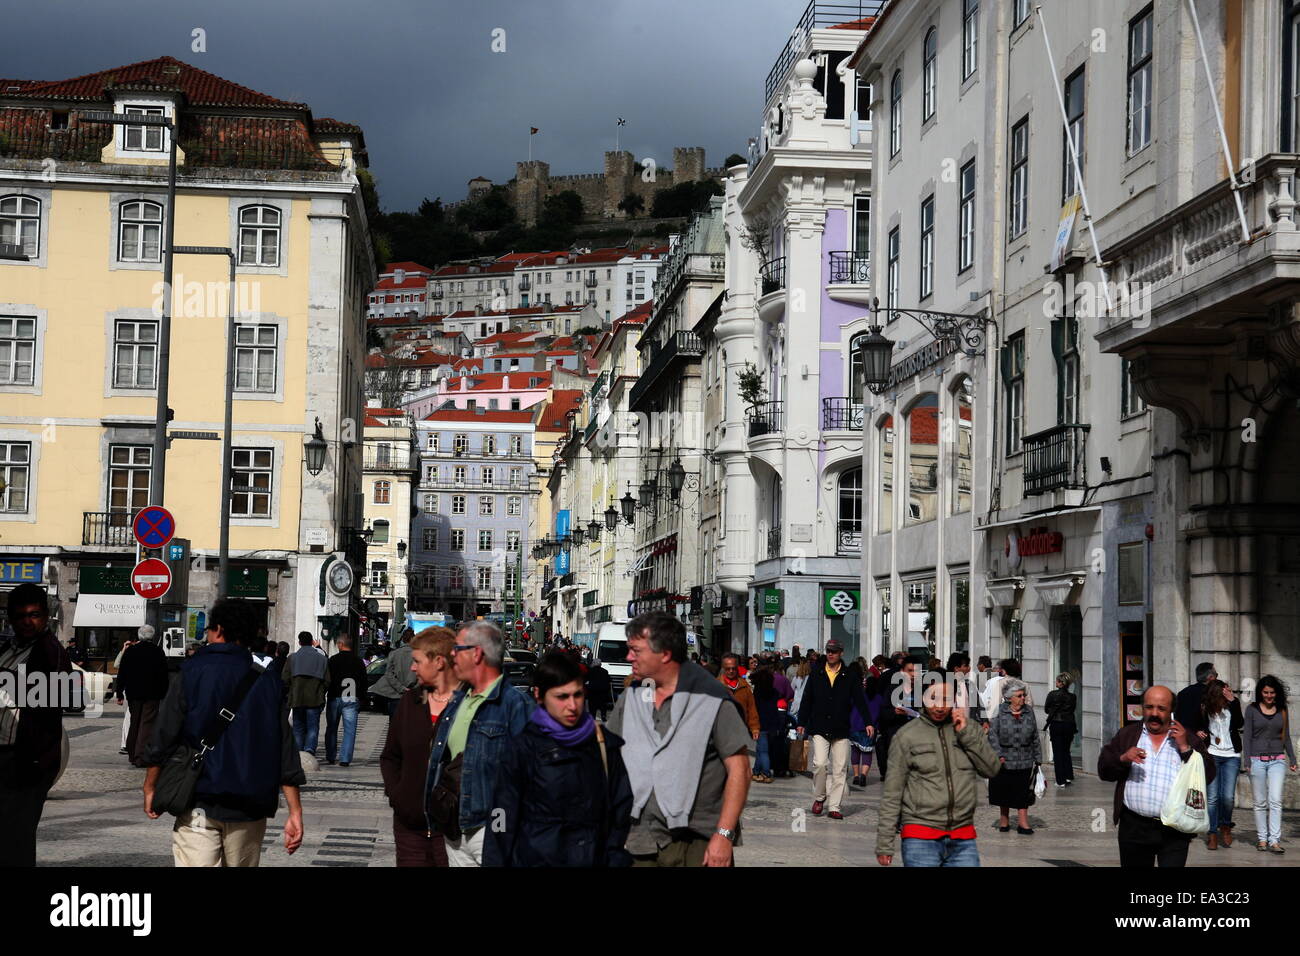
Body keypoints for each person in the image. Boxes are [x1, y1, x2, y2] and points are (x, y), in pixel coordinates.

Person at [142, 598, 305, 866]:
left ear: (218, 630)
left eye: (208, 629)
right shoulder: (267, 680)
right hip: (250, 804)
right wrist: (295, 811)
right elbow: (284, 746)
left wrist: (150, 786)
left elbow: (164, 734)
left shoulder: (191, 672)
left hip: (198, 798)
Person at [607, 611, 751, 867]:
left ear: (664, 654)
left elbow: (740, 769)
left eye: (636, 651)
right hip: (640, 835)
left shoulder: (712, 698)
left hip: (697, 840)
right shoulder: (632, 697)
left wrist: (724, 835)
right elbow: (608, 758)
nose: (629, 657)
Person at [484, 651, 633, 866]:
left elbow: (621, 808)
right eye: (561, 697)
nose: (572, 706)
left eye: (578, 695)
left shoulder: (603, 743)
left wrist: (614, 856)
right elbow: (501, 816)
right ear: (539, 695)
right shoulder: (522, 748)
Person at [424, 621, 532, 867]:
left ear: (477, 653)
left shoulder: (516, 706)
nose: (452, 654)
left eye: (457, 649)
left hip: (492, 828)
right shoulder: (457, 700)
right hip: (455, 829)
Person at [875, 674, 1001, 867]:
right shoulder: (907, 736)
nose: (940, 707)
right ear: (923, 697)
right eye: (933, 698)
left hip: (962, 836)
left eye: (946, 699)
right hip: (920, 835)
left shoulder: (969, 729)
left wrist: (966, 734)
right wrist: (885, 843)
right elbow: (893, 792)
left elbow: (991, 769)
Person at [1097, 685, 1215, 868]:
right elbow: (1104, 770)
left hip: (1174, 828)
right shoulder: (1128, 735)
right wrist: (1123, 758)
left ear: (1172, 710)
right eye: (1149, 707)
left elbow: (1208, 774)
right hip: (1134, 826)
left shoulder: (1188, 738)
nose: (1154, 713)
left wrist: (1185, 749)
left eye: (1161, 708)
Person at [0, 584, 72, 866]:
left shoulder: (51, 653)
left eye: (35, 615)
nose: (28, 622)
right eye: (21, 616)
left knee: (15, 839)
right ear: (10, 618)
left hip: (27, 759)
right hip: (4, 754)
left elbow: (58, 697)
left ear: (46, 616)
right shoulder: (7, 648)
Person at [380, 627, 458, 867]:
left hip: (452, 832)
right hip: (409, 826)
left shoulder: (467, 707)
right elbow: (390, 756)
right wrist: (398, 796)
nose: (412, 668)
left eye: (417, 661)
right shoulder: (410, 702)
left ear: (439, 662)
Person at [797, 638, 871, 820]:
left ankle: (834, 806)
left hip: (841, 728)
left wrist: (868, 721)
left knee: (840, 769)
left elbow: (860, 700)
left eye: (834, 651)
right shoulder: (817, 673)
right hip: (820, 727)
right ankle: (820, 797)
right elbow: (807, 699)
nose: (830, 654)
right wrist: (801, 722)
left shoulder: (849, 675)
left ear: (841, 653)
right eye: (829, 650)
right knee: (820, 764)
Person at [1243, 675, 1297, 853]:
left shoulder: (1282, 709)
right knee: (1259, 802)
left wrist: (1293, 759)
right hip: (1256, 760)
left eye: (1272, 692)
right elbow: (1248, 737)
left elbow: (1286, 735)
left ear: (1277, 693)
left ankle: (1274, 840)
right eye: (1265, 692)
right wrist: (1247, 761)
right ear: (1260, 692)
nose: (1269, 696)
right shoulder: (1251, 710)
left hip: (1277, 761)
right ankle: (1262, 839)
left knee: (1275, 801)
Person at [987, 679, 1041, 835]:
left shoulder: (1028, 711)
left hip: (1025, 757)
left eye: (1023, 695)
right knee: (1004, 790)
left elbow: (1035, 735)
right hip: (1005, 758)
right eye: (1019, 695)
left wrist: (1038, 757)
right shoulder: (999, 711)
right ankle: (1004, 820)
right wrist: (998, 754)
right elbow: (992, 735)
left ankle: (1023, 823)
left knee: (1023, 791)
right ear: (1009, 697)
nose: (1023, 698)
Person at [115, 623, 170, 767]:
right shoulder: (158, 651)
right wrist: (163, 693)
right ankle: (141, 756)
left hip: (134, 693)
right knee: (147, 723)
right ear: (152, 636)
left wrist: (119, 692)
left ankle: (132, 755)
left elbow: (122, 673)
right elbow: (164, 675)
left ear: (139, 636)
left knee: (135, 722)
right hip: (152, 694)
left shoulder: (131, 651)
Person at [1200, 678, 1243, 850]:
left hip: (1232, 755)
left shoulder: (1232, 705)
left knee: (1227, 797)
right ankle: (1212, 833)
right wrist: (1198, 731)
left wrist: (1233, 701)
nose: (1224, 697)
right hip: (1213, 754)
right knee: (1212, 798)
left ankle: (1225, 825)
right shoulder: (1205, 709)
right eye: (1222, 694)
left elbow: (1240, 723)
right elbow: (1197, 725)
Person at [874, 655, 922, 780]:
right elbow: (883, 713)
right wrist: (894, 712)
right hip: (896, 736)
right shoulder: (892, 690)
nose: (913, 674)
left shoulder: (923, 691)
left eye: (916, 671)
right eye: (910, 671)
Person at [325, 636, 367, 767]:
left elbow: (327, 679)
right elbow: (363, 681)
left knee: (332, 727)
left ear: (341, 644)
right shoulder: (358, 661)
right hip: (351, 697)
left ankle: (331, 756)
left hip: (335, 696)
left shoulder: (333, 660)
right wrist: (361, 698)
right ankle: (345, 758)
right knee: (349, 730)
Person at [286, 632, 327, 756]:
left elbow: (285, 678)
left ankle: (298, 752)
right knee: (313, 727)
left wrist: (292, 691)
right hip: (315, 699)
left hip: (297, 698)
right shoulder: (322, 659)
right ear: (311, 642)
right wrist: (320, 691)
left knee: (298, 727)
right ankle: (309, 749)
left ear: (299, 642)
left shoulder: (292, 658)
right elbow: (327, 680)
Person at [1043, 672, 1078, 788]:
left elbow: (1046, 709)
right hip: (1069, 725)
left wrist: (1054, 711)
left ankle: (1060, 780)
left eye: (1057, 681)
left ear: (1061, 683)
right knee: (1066, 751)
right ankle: (1068, 775)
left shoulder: (1052, 694)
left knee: (1057, 752)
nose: (1056, 682)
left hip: (1057, 724)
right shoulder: (1073, 697)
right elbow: (1072, 710)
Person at [719, 653, 761, 746]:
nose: (731, 671)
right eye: (728, 668)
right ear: (723, 667)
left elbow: (751, 709)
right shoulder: (716, 686)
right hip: (722, 733)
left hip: (741, 731)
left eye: (733, 668)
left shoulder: (744, 686)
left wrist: (755, 728)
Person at [369, 636, 417, 717]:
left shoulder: (394, 653)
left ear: (403, 640)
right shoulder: (420, 654)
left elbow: (388, 674)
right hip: (413, 694)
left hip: (395, 694)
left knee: (394, 723)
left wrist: (401, 688)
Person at [750, 663, 780, 784]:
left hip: (760, 723)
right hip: (772, 723)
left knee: (763, 750)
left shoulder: (757, 692)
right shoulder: (774, 692)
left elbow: (754, 708)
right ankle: (756, 771)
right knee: (760, 749)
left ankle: (766, 773)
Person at [1174, 661, 1216, 739]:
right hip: (1205, 738)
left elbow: (1178, 716)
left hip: (1185, 735)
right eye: (1216, 675)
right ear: (1210, 677)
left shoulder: (1183, 692)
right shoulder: (1210, 694)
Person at [114, 631, 139, 756]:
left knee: (131, 717)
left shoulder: (138, 653)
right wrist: (124, 649)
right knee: (128, 717)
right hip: (129, 690)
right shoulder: (127, 652)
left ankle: (129, 744)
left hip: (134, 689)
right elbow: (117, 664)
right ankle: (125, 744)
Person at [947, 652, 986, 730]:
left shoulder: (969, 685)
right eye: (966, 666)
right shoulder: (944, 685)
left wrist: (985, 721)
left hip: (968, 728)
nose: (969, 668)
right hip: (949, 729)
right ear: (956, 668)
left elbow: (979, 705)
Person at [585, 655, 613, 721]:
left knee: (592, 705)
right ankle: (603, 715)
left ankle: (592, 716)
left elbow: (586, 679)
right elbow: (609, 680)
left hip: (593, 690)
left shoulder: (590, 671)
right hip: (603, 691)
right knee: (603, 705)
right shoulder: (605, 671)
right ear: (600, 664)